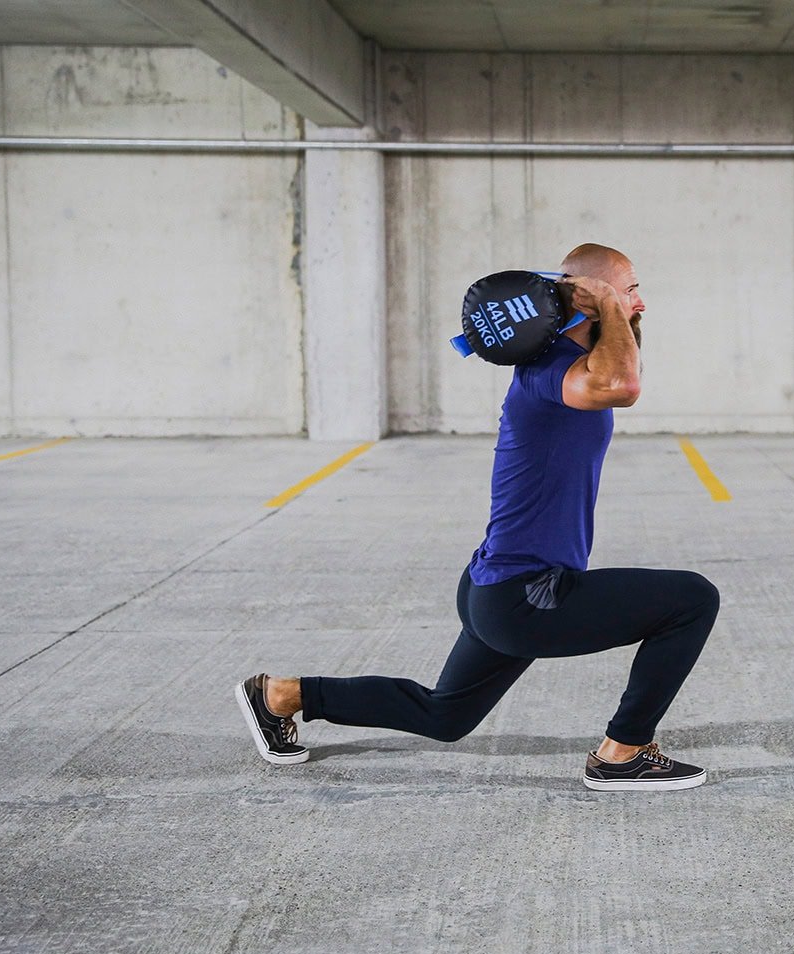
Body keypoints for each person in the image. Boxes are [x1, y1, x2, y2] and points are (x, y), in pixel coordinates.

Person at [235, 243, 720, 791]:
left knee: (445, 716)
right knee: (692, 599)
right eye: (631, 289)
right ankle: (622, 755)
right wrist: (607, 302)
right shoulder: (550, 375)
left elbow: (624, 364)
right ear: (593, 299)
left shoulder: (571, 363)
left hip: (496, 589)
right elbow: (623, 386)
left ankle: (281, 694)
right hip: (525, 598)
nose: (641, 303)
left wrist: (610, 306)